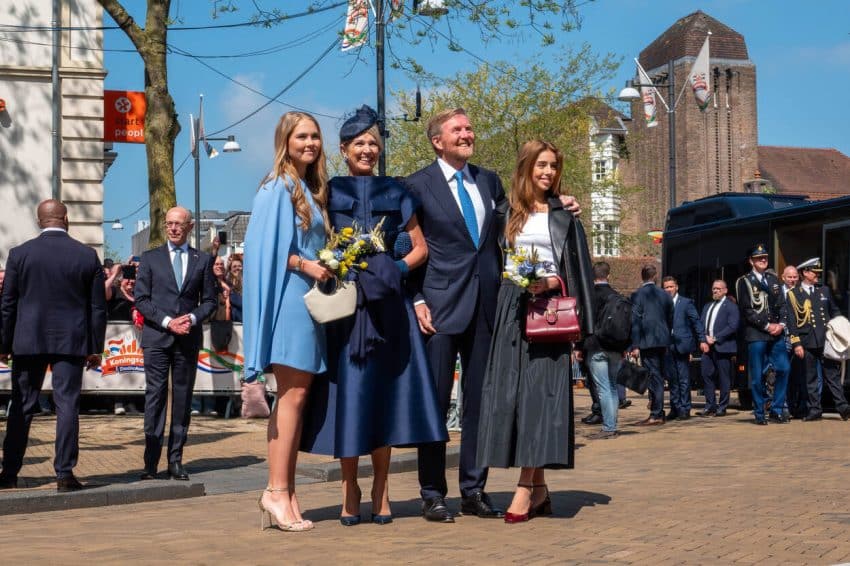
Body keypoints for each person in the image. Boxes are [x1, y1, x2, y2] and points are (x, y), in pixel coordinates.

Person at [405, 107, 581, 523]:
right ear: (437, 140)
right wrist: (415, 299)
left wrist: (560, 200)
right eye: (458, 130)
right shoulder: (415, 184)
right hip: (440, 307)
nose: (468, 134)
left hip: (489, 308)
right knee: (434, 402)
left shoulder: (489, 182)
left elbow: (525, 218)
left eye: (469, 128)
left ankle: (473, 490)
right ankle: (432, 493)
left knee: (481, 405)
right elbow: (404, 244)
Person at [300, 105, 447, 526]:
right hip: (346, 310)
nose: (367, 150)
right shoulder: (328, 192)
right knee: (350, 397)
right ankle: (350, 486)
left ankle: (382, 488)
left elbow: (420, 248)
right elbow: (314, 240)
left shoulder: (399, 191)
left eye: (374, 143)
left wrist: (395, 268)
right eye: (359, 143)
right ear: (344, 149)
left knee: (382, 395)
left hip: (389, 309)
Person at [477, 140, 594, 523]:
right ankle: (540, 488)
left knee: (542, 397)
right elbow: (492, 262)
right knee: (516, 398)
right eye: (541, 165)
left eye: (554, 167)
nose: (547, 173)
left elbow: (580, 269)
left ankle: (525, 488)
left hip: (550, 311)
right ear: (526, 167)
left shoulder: (565, 214)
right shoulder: (504, 212)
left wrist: (553, 282)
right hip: (512, 306)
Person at [242, 111, 333, 532]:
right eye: (302, 136)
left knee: (297, 398)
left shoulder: (307, 189)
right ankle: (276, 491)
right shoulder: (277, 188)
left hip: (309, 304)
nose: (310, 143)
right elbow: (264, 252)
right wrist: (307, 264)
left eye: (315, 136)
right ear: (285, 140)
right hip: (290, 303)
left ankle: (287, 490)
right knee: (291, 398)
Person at [0, 199, 106, 491]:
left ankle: (9, 472)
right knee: (67, 404)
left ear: (39, 220)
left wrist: (4, 343)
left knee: (21, 405)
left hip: (28, 338)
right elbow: (97, 307)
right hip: (71, 340)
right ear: (66, 219)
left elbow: (8, 303)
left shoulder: (19, 254)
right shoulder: (86, 256)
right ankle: (64, 474)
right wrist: (95, 347)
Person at [134, 206, 217, 480]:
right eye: (169, 223)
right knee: (155, 398)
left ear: (190, 226)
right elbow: (141, 300)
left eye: (179, 224)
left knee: (182, 399)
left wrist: (191, 319)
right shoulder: (150, 258)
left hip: (188, 339)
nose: (173, 228)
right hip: (157, 337)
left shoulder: (202, 260)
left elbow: (210, 302)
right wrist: (169, 321)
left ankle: (175, 460)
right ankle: (150, 463)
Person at [787, 258, 850, 421]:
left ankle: (843, 407)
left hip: (825, 341)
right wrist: (796, 343)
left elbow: (834, 311)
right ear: (805, 273)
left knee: (832, 376)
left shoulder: (824, 291)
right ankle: (814, 410)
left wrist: (841, 326)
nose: (817, 276)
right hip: (806, 341)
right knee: (810, 378)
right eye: (814, 273)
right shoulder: (793, 294)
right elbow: (792, 321)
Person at [735, 244, 789, 425]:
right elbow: (747, 309)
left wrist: (781, 324)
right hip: (757, 333)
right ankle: (759, 412)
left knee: (784, 368)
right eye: (759, 258)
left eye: (765, 257)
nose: (763, 260)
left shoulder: (773, 279)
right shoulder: (744, 281)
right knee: (757, 376)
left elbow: (782, 304)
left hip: (776, 333)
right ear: (751, 261)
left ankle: (777, 409)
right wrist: (767, 326)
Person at [580, 261, 625, 439]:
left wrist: (578, 346)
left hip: (595, 346)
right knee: (612, 387)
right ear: (609, 275)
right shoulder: (617, 296)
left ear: (592, 276)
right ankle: (612, 424)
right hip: (614, 346)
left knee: (603, 388)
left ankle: (609, 427)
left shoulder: (589, 296)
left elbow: (584, 322)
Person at [630, 264, 673, 426]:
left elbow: (635, 321)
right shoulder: (665, 295)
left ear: (642, 277)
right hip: (663, 339)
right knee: (659, 377)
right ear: (655, 277)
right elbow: (670, 316)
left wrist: (635, 344)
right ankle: (658, 412)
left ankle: (656, 414)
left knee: (654, 378)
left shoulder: (637, 295)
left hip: (647, 341)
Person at [662, 275, 707, 420]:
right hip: (668, 345)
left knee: (683, 379)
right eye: (666, 287)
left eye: (671, 286)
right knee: (672, 379)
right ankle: (675, 408)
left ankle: (685, 408)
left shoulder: (686, 303)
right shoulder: (662, 304)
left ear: (676, 287)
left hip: (682, 345)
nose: (669, 289)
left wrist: (702, 339)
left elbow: (696, 322)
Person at [698, 280, 739, 417]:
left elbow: (733, 326)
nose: (715, 291)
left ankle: (722, 406)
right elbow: (701, 325)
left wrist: (715, 338)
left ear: (725, 290)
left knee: (723, 378)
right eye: (714, 288)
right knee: (706, 375)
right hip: (707, 347)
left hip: (723, 347)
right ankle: (710, 406)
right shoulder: (707, 306)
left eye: (718, 289)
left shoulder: (731, 306)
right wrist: (703, 339)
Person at [781, 265, 806, 417]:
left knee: (798, 374)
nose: (792, 280)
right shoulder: (777, 293)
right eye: (789, 277)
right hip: (782, 338)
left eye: (795, 277)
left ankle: (796, 407)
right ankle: (783, 408)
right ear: (783, 277)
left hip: (799, 339)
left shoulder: (802, 293)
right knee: (783, 373)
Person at [226, 254, 243, 323]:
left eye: (240, 266)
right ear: (230, 269)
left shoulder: (248, 283)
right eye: (234, 266)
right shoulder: (228, 285)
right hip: (235, 322)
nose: (237, 268)